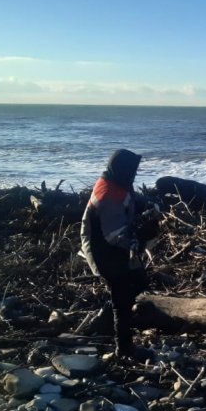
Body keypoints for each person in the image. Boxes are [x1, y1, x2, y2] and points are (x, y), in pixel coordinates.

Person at [80, 149, 154, 358]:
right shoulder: (109, 195)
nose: (135, 174)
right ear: (123, 170)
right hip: (104, 251)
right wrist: (141, 237)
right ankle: (124, 348)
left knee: (137, 284)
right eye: (132, 170)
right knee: (122, 297)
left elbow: (128, 199)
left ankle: (112, 323)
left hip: (112, 249)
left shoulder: (116, 182)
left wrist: (143, 204)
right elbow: (115, 235)